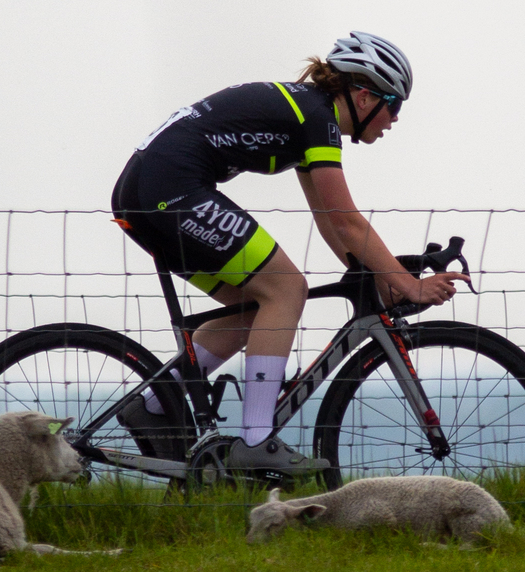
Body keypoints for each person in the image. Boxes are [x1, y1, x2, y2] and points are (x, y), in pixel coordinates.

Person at [110, 31, 460, 471]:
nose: (395, 118)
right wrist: (409, 285)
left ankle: (154, 405)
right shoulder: (319, 119)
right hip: (169, 191)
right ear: (366, 95)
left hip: (146, 192)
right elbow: (347, 220)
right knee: (287, 289)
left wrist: (373, 277)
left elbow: (329, 219)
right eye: (395, 104)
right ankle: (256, 440)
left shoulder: (307, 114)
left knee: (255, 307)